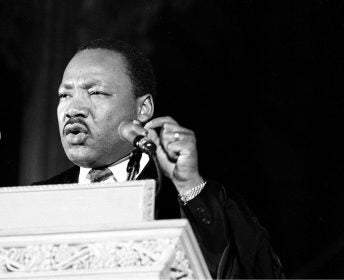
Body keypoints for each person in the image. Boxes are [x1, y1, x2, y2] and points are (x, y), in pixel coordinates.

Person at [33, 38, 285, 279]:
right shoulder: (36, 201)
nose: (73, 109)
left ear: (143, 109)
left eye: (96, 92)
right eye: (64, 95)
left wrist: (188, 186)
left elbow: (256, 272)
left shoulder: (193, 198)